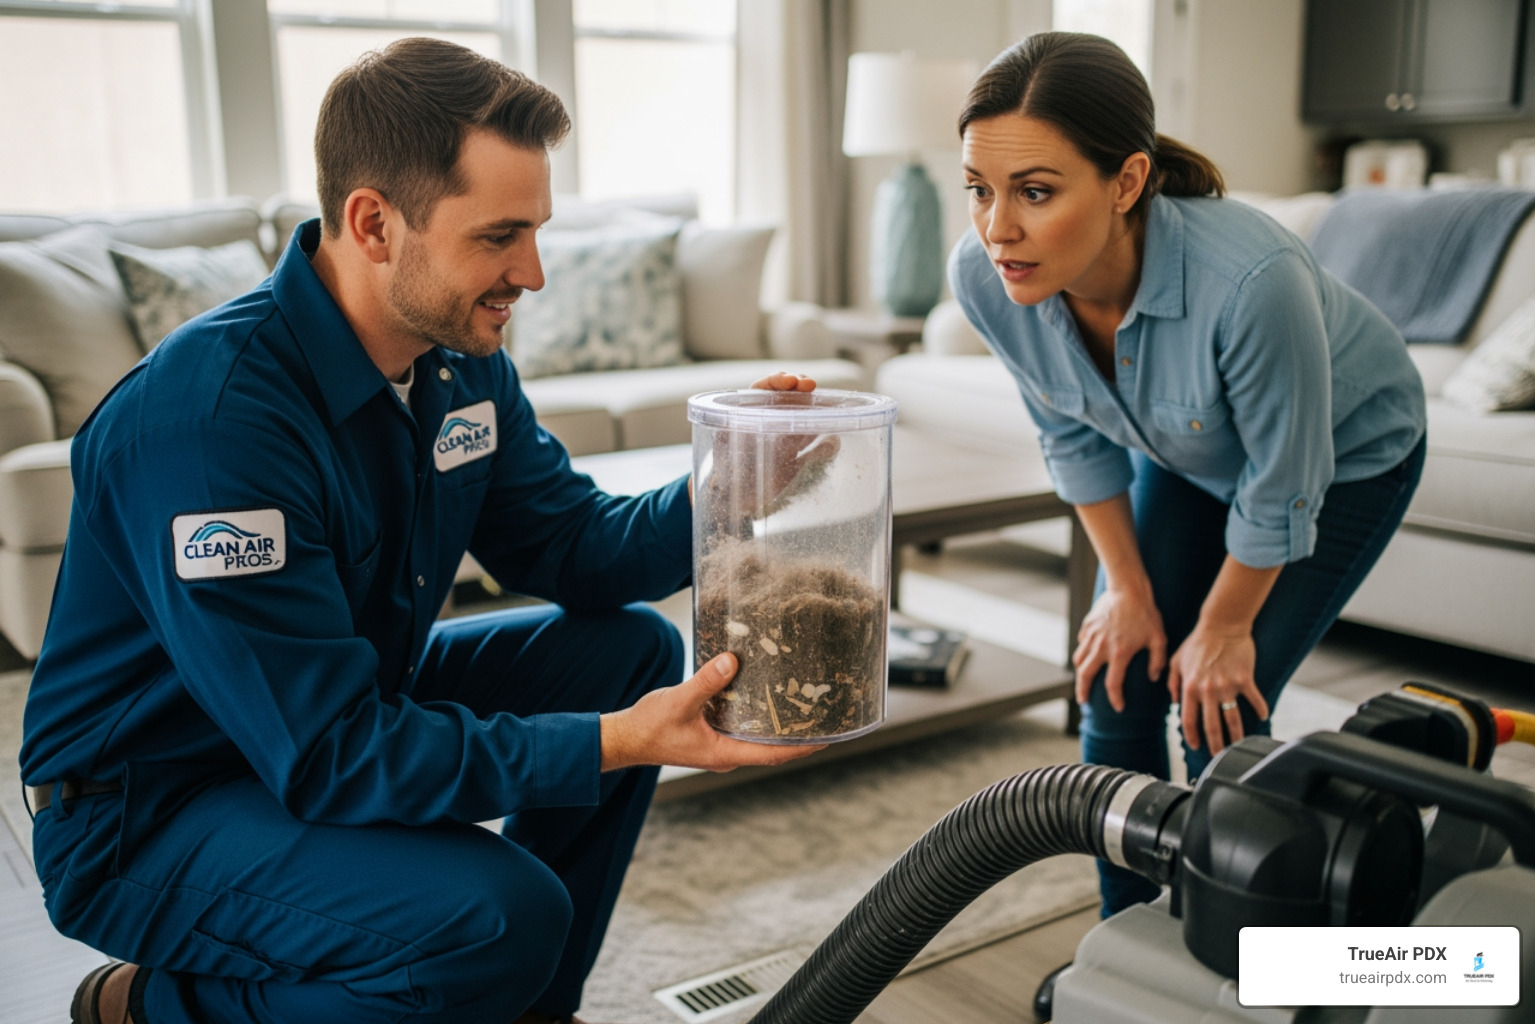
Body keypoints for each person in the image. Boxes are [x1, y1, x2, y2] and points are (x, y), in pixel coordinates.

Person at [20, 37, 823, 1024]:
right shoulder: (215, 427)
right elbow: (326, 753)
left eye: (536, 231)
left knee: (629, 652)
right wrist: (612, 744)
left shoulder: (459, 363)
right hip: (150, 805)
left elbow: (575, 549)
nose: (529, 272)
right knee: (502, 917)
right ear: (372, 224)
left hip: (330, 709)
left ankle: (525, 1010)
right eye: (498, 236)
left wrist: (727, 483)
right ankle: (155, 1006)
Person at [950, 30, 1427, 934]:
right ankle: (1126, 935)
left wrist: (1224, 625)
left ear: (1127, 182)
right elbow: (1073, 436)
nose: (997, 228)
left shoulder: (1252, 280)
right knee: (1117, 674)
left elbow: (1285, 480)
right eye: (980, 189)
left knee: (1215, 703)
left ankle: (1230, 940)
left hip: (1352, 454)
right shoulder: (985, 278)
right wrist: (1125, 591)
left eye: (1035, 192)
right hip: (1186, 454)